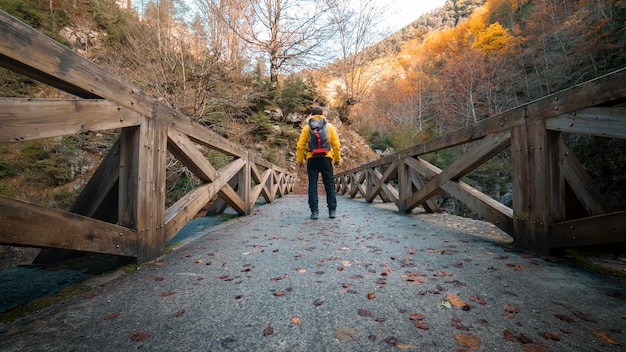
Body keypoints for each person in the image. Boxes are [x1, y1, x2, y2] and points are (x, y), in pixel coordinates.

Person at [296, 106, 341, 219]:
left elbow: (300, 146)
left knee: (312, 185)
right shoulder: (329, 126)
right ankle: (332, 210)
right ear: (323, 114)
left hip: (312, 159)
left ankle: (314, 211)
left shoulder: (307, 128)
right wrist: (337, 159)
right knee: (329, 185)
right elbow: (336, 144)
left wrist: (300, 160)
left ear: (311, 114)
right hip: (326, 158)